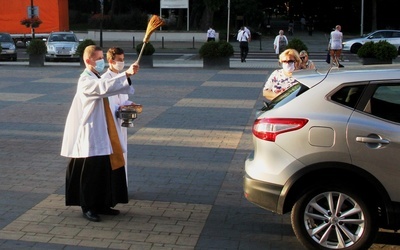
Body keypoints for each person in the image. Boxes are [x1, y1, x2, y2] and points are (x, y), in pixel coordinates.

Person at [61, 45, 139, 222]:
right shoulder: (85, 80)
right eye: (97, 58)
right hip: (91, 133)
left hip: (104, 131)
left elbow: (112, 90)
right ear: (88, 61)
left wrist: (125, 106)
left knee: (105, 170)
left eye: (101, 58)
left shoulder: (95, 76)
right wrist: (125, 74)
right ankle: (88, 206)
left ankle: (103, 203)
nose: (101, 61)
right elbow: (102, 87)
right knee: (91, 172)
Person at [102, 47, 136, 185]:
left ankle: (124, 186)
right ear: (111, 60)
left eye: (123, 60)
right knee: (114, 155)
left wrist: (130, 104)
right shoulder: (105, 80)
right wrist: (121, 108)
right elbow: (107, 105)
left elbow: (122, 99)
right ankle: (114, 186)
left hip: (121, 122)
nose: (122, 63)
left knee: (123, 153)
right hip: (111, 124)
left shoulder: (121, 77)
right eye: (119, 60)